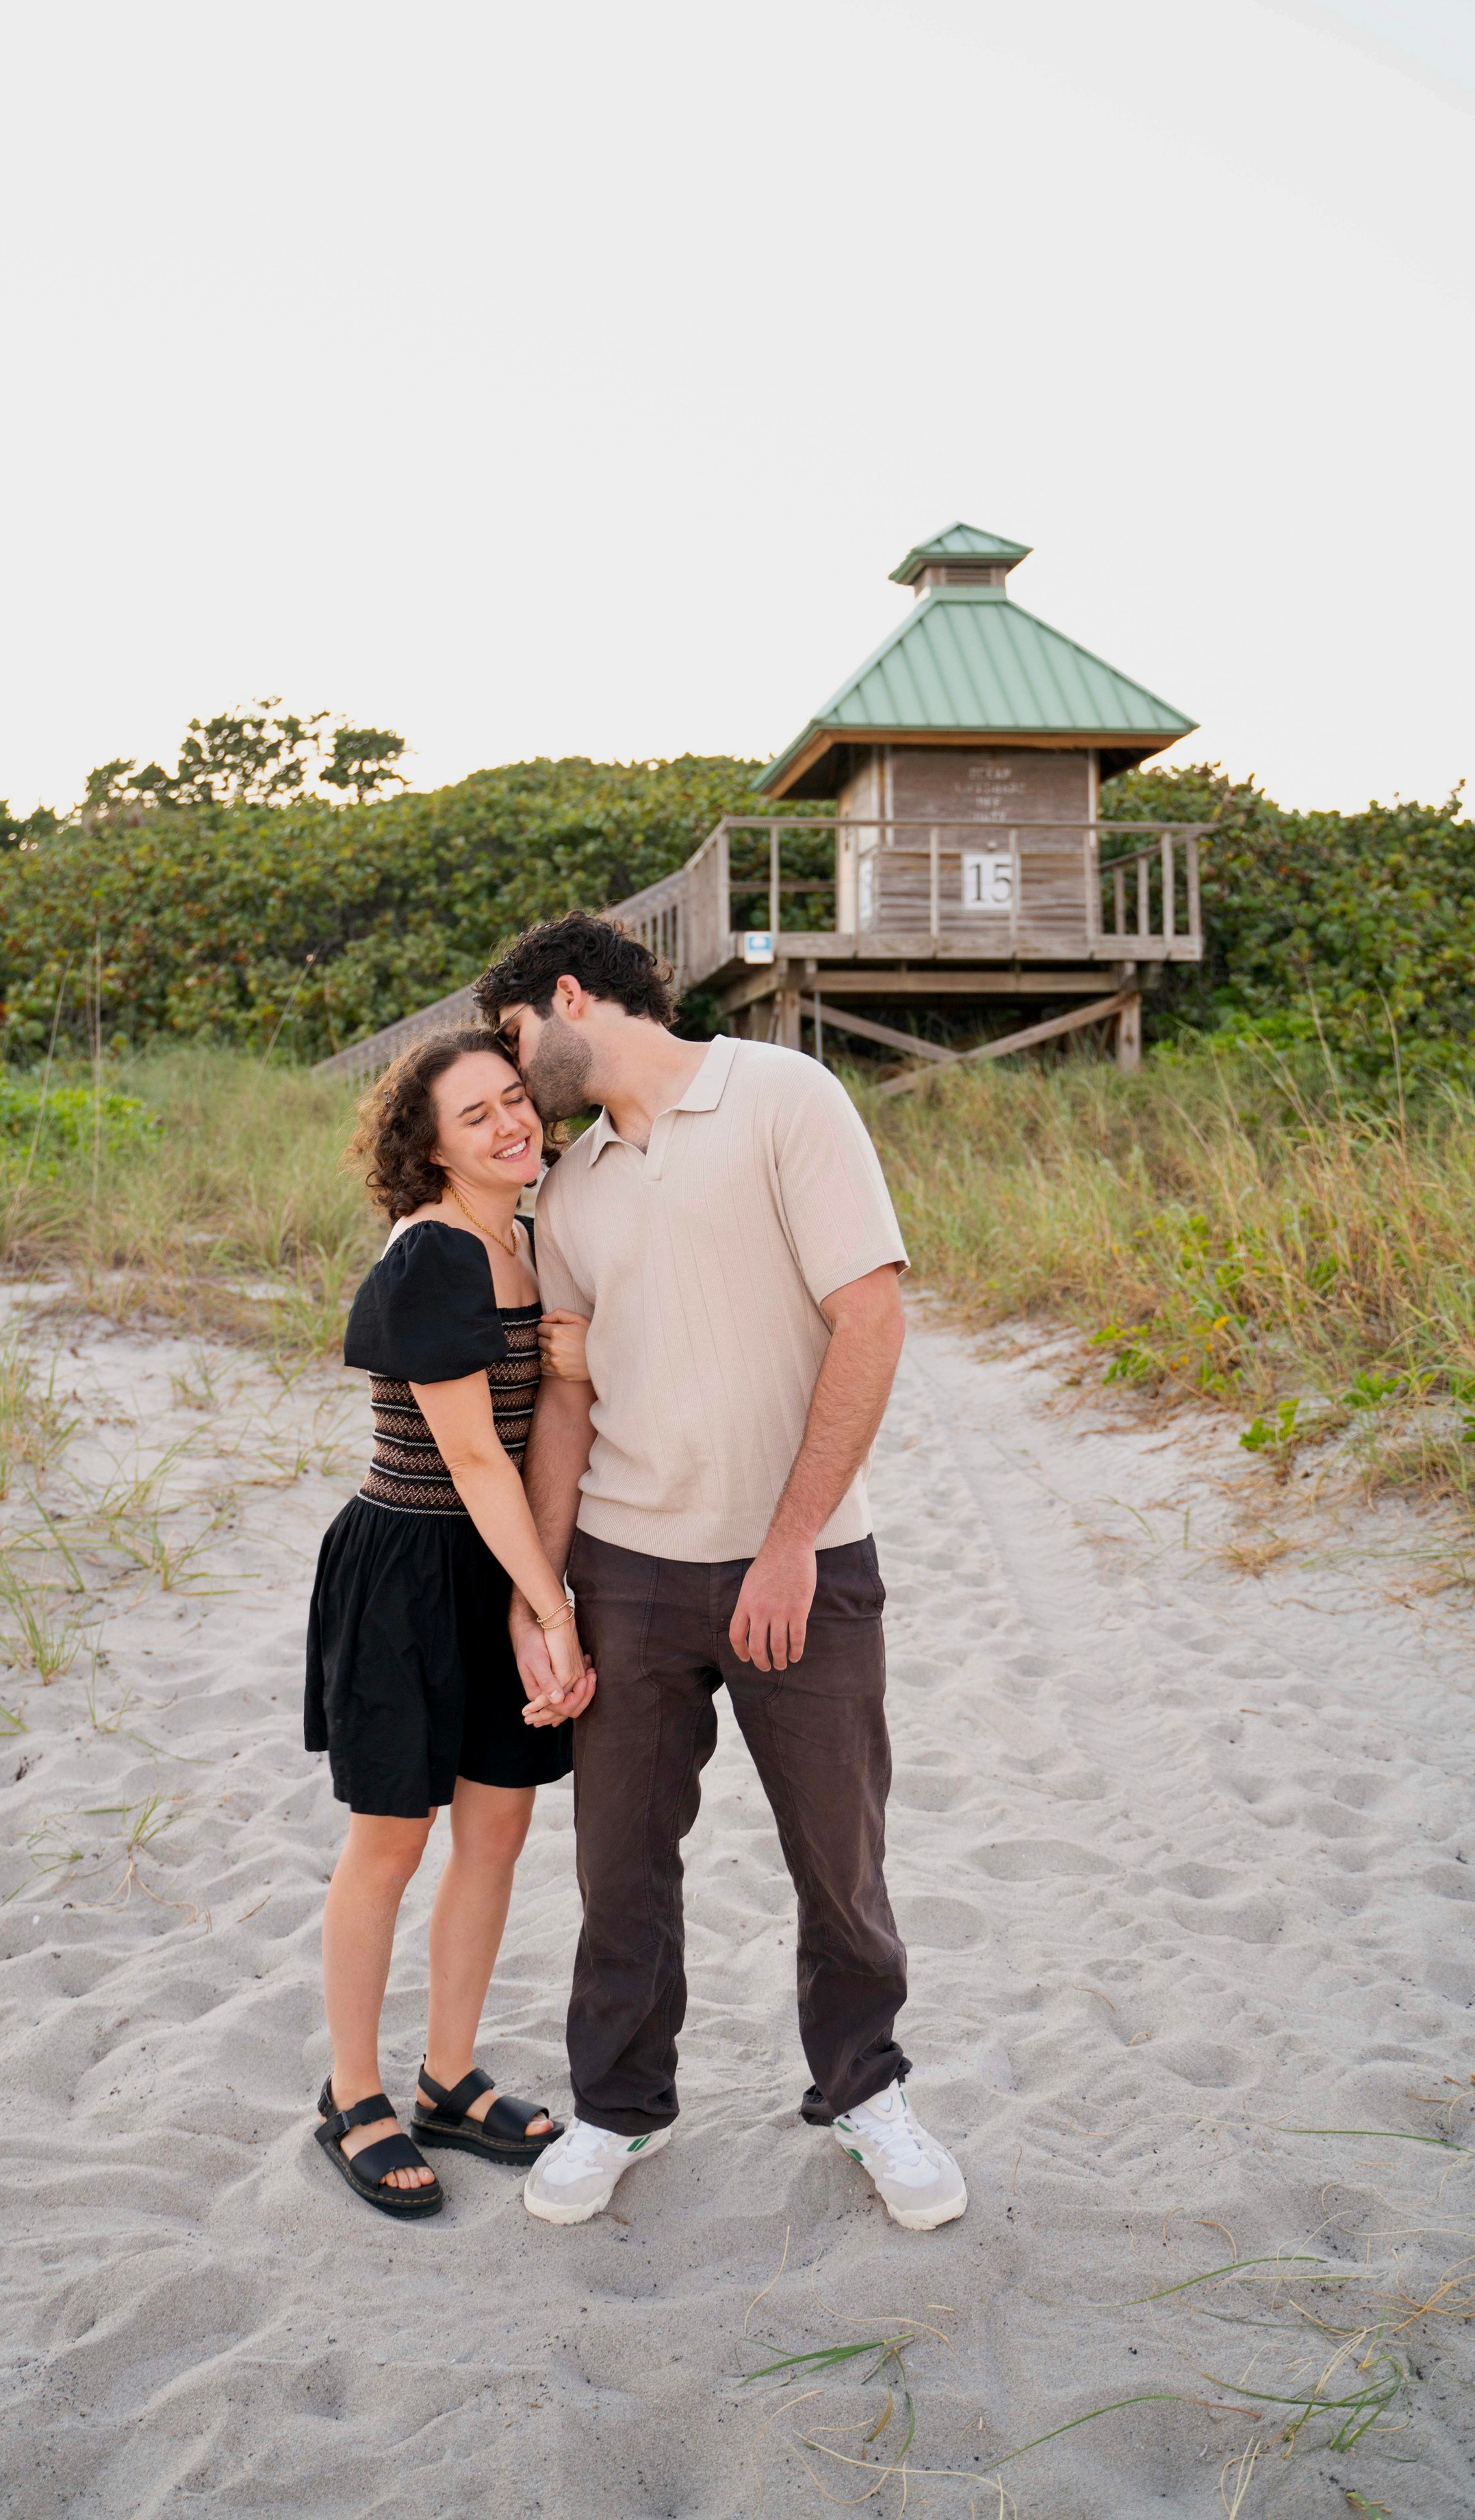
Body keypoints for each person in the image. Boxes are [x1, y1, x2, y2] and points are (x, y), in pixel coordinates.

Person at [474, 913, 967, 2235]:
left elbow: (870, 1314)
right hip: (627, 1571)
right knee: (620, 1863)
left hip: (804, 1562)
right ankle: (619, 2106)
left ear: (572, 995)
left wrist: (794, 1539)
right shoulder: (567, 1189)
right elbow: (569, 1407)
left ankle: (865, 2091)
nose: (518, 1081)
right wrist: (547, 1595)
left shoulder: (784, 1095)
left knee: (838, 1855)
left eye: (519, 1040)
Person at [304, 1031, 595, 2220]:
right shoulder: (432, 1253)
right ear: (427, 1145)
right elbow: (473, 1456)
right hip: (412, 1569)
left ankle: (446, 2075)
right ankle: (354, 2092)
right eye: (474, 1114)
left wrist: (576, 1367)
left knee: (496, 1831)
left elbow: (543, 1432)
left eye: (515, 1099)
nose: (508, 1124)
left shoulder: (526, 1238)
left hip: (499, 1564)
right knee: (392, 1838)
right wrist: (552, 1604)